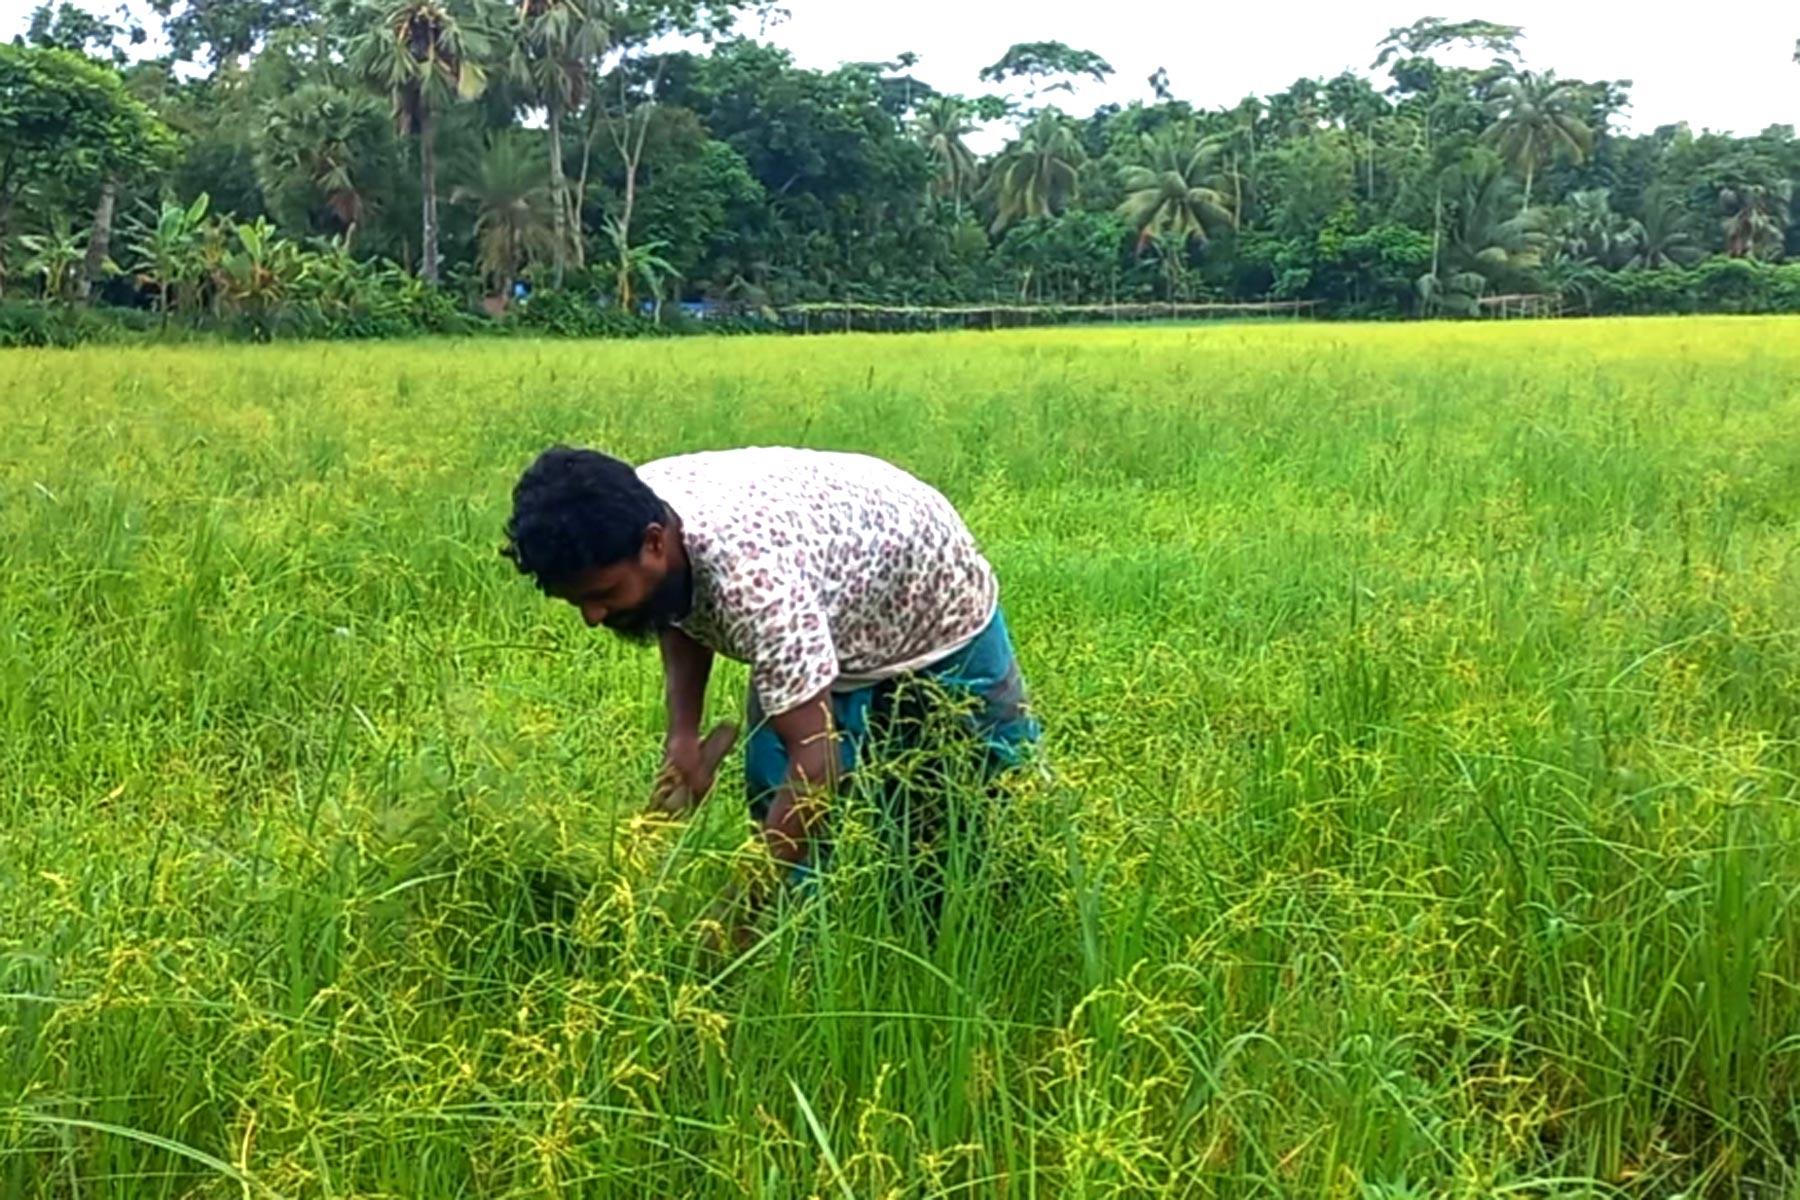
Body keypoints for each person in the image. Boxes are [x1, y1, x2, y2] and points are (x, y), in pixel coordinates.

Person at [501, 445, 1039, 917]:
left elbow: (817, 767)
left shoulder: (758, 588)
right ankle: (799, 945)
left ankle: (964, 924)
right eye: (578, 602)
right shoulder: (636, 509)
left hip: (926, 590)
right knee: (771, 785)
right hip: (821, 575)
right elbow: (680, 604)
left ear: (655, 543)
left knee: (963, 800)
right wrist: (683, 736)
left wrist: (735, 911)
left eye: (603, 594)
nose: (593, 617)